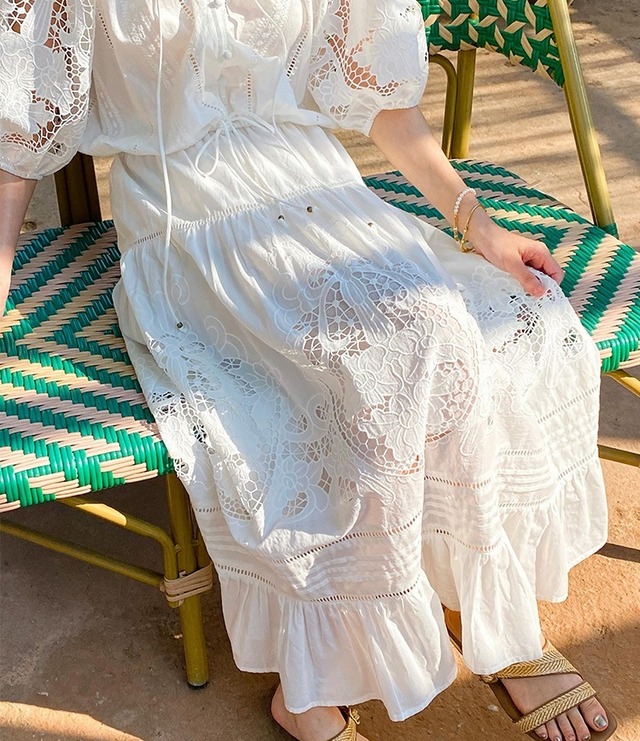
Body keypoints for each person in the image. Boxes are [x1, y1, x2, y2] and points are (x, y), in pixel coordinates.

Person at [0, 2, 616, 740]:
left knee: (487, 325)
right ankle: (310, 682)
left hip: (321, 191)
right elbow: (17, 139)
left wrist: (476, 224)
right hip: (186, 219)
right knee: (395, 345)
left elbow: (381, 98)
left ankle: (485, 608)